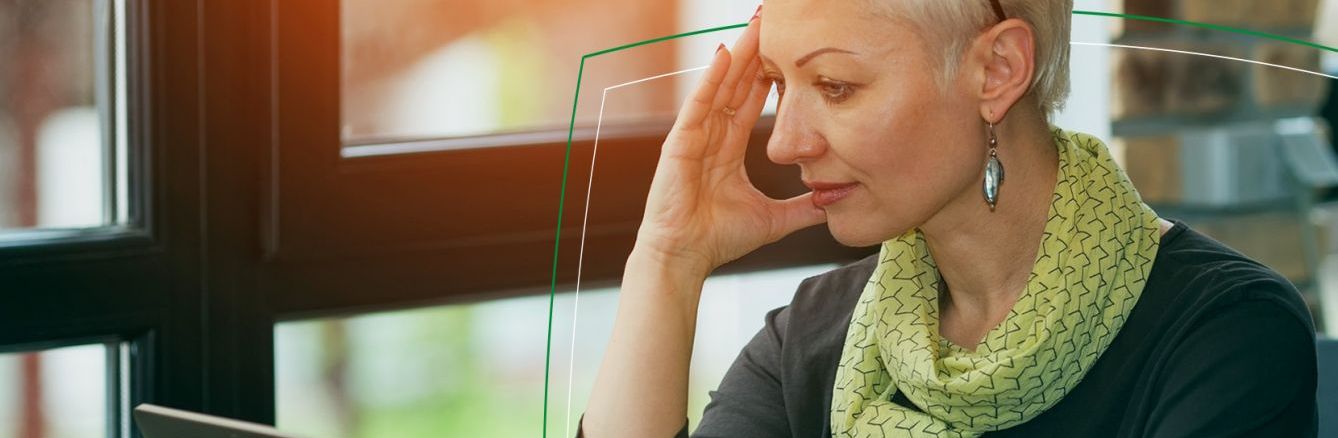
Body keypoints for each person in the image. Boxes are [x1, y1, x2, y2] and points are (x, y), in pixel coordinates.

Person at [579, 0, 1318, 436]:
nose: (784, 141)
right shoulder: (810, 342)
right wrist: (667, 258)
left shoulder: (1225, 334)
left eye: (834, 86)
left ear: (997, 72)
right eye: (778, 84)